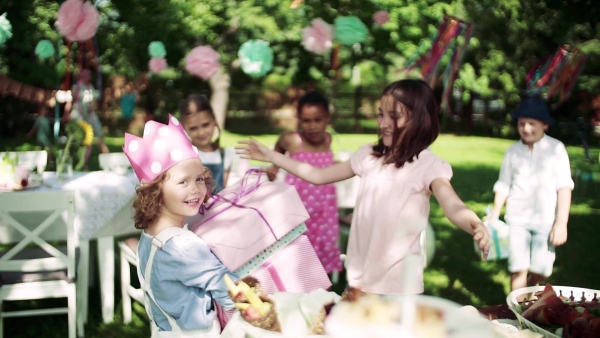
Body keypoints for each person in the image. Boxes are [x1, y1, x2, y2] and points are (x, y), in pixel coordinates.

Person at [237, 79, 490, 295]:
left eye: (395, 116)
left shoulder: (429, 166)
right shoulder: (368, 156)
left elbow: (452, 204)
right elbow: (317, 175)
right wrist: (273, 156)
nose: (384, 123)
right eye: (381, 114)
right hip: (359, 275)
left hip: (400, 282)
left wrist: (474, 224)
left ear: (419, 120)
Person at [124, 115, 237, 336]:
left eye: (199, 179)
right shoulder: (184, 246)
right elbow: (228, 289)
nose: (195, 189)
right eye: (183, 182)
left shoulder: (150, 236)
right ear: (156, 191)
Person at [489, 95, 574, 293]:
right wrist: (495, 213)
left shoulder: (556, 149)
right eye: (521, 124)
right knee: (518, 268)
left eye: (532, 123)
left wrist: (561, 222)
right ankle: (517, 313)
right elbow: (503, 184)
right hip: (517, 218)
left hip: (545, 220)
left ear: (545, 124)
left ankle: (531, 292)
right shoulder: (512, 152)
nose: (526, 129)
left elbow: (564, 187)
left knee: (541, 269)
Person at [265, 91, 343, 275]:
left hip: (325, 208)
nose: (313, 126)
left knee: (324, 241)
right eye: (306, 121)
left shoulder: (328, 139)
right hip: (300, 207)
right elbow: (279, 148)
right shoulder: (292, 140)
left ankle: (321, 290)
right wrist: (274, 167)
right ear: (299, 120)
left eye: (318, 120)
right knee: (298, 245)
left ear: (327, 119)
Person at [180, 94, 241, 193]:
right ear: (184, 128)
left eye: (205, 125)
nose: (201, 132)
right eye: (193, 128)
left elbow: (224, 190)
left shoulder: (225, 155)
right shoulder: (183, 156)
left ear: (214, 121)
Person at [63, 68, 109, 169]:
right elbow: (71, 101)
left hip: (90, 115)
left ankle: (108, 160)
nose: (88, 77)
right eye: (85, 75)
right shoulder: (77, 87)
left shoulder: (91, 87)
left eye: (89, 75)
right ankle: (82, 163)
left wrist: (94, 104)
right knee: (84, 140)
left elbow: (93, 104)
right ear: (81, 76)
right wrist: (67, 113)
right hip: (79, 115)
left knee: (99, 135)